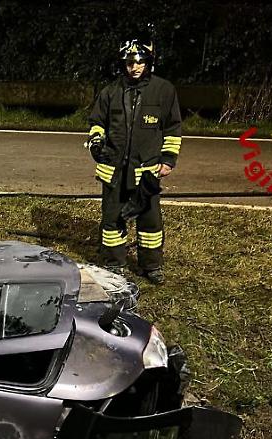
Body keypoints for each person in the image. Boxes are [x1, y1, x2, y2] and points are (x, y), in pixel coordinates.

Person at [86, 36, 182, 285]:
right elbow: (97, 122)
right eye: (130, 63)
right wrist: (96, 141)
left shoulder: (164, 90)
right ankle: (115, 264)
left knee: (150, 221)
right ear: (123, 64)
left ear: (149, 62)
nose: (135, 67)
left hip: (146, 170)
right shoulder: (110, 92)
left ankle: (151, 265)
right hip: (114, 170)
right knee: (112, 219)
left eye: (140, 62)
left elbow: (172, 128)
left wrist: (168, 159)